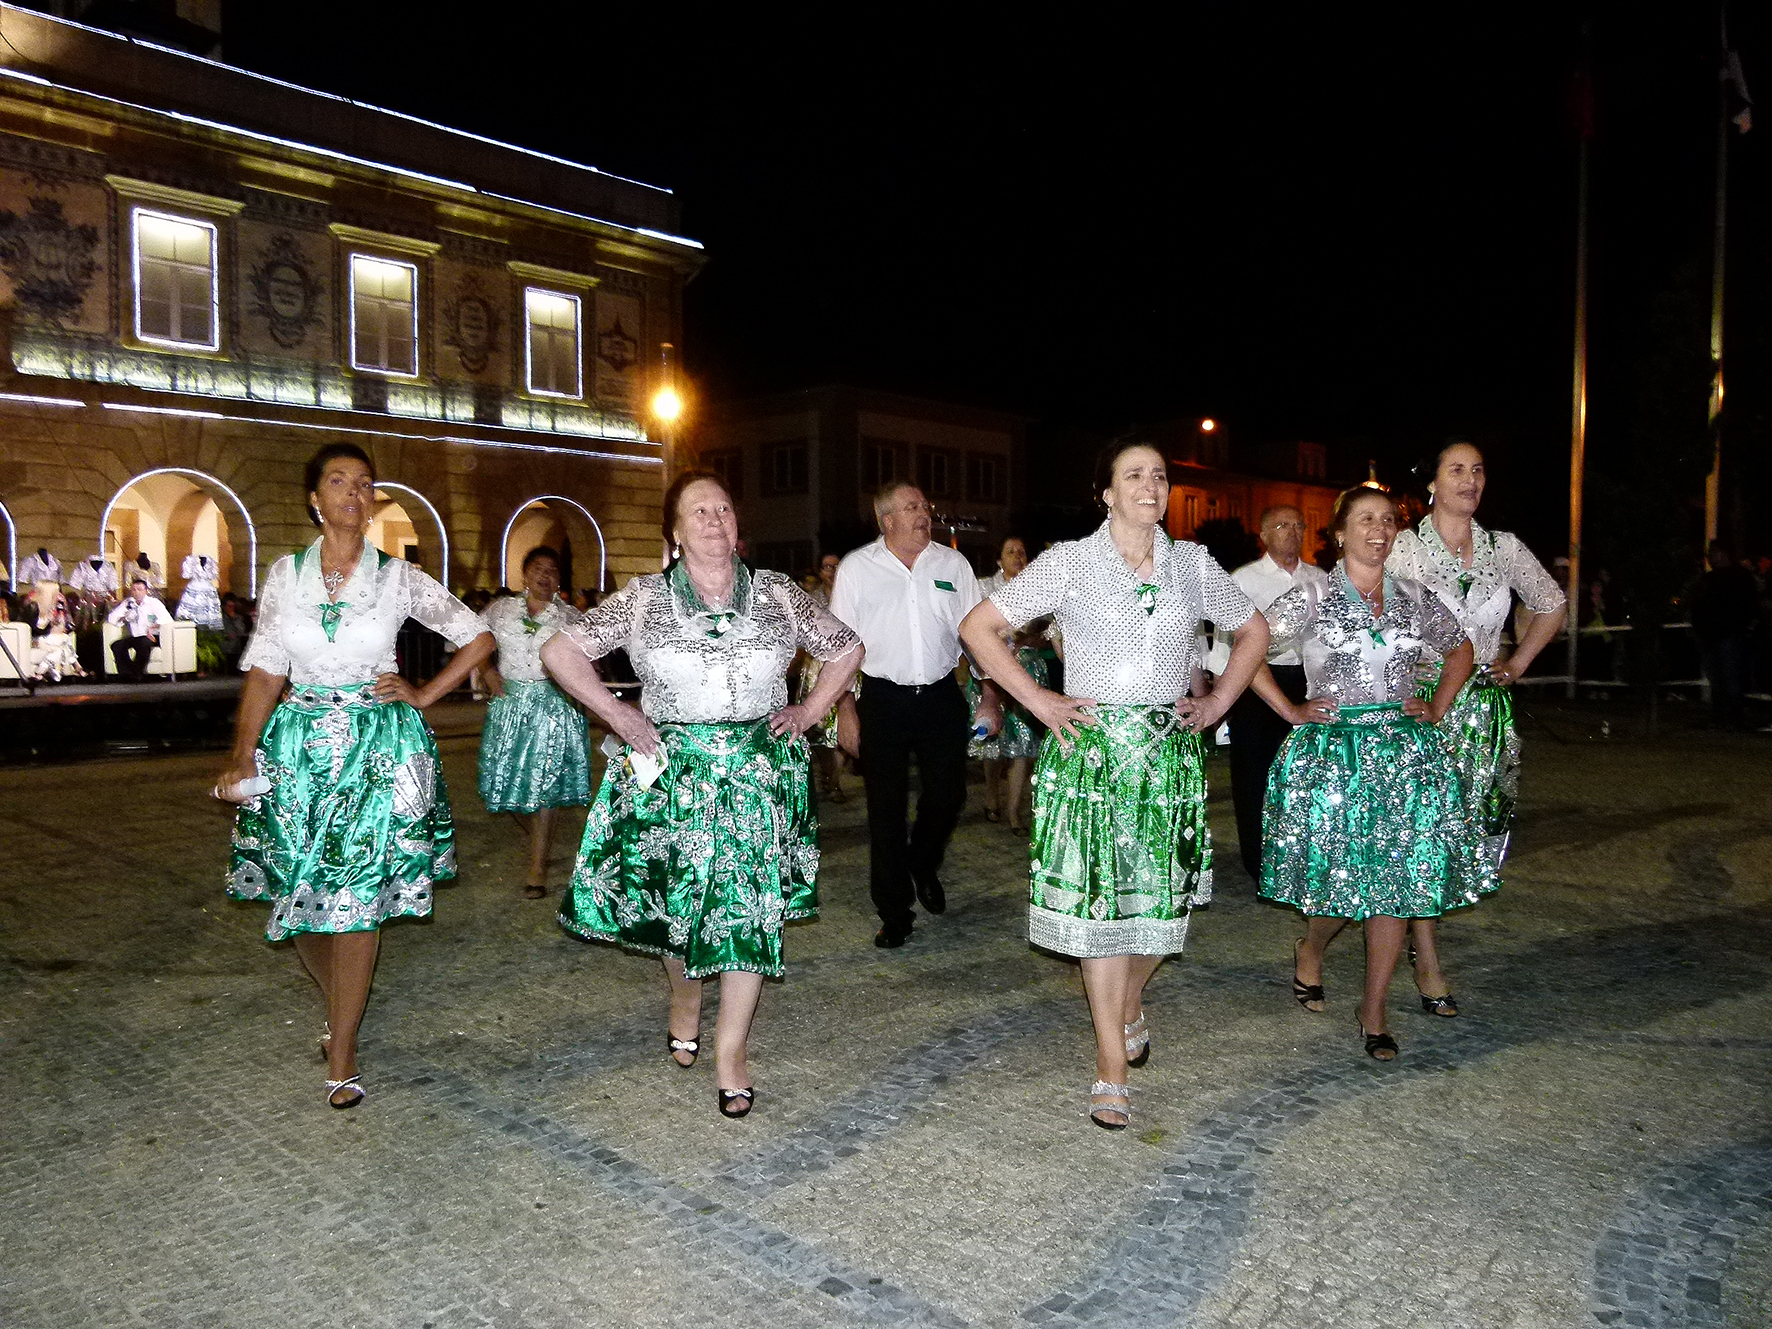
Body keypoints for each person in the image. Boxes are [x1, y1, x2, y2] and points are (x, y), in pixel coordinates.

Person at [960, 443, 1269, 1129]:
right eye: (1134, 475)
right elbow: (979, 627)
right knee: (1102, 919)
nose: (1150, 485)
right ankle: (1110, 1066)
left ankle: (1129, 1002)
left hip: (1167, 758)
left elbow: (1254, 629)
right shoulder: (1069, 562)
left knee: (1164, 912)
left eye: (1160, 476)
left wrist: (1218, 703)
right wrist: (1038, 701)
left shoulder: (1193, 564)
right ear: (1105, 492)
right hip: (1093, 758)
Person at [544, 471, 862, 1118]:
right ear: (675, 532)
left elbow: (846, 648)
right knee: (677, 910)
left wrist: (809, 711)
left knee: (749, 912)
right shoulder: (644, 597)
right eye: (700, 511)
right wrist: (619, 714)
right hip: (672, 776)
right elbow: (559, 652)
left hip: (756, 776)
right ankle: (685, 993)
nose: (715, 519)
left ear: (737, 524)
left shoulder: (776, 592)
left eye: (723, 508)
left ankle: (731, 1050)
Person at [215, 443, 495, 1109]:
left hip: (377, 750)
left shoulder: (397, 577)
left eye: (365, 483)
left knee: (358, 901)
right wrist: (243, 751)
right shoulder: (286, 574)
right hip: (297, 751)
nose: (353, 492)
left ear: (372, 502)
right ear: (315, 499)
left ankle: (341, 1049)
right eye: (338, 481)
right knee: (299, 901)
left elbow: (479, 637)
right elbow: (267, 667)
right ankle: (338, 1004)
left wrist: (425, 693)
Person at [1254, 486, 1489, 1061]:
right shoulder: (1312, 594)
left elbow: (1460, 650)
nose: (1379, 530)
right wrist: (1290, 709)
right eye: (1365, 520)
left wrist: (1437, 707)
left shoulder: (1413, 595)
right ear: (1339, 533)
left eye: (1387, 520)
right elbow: (1246, 645)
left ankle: (1374, 1009)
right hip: (1336, 758)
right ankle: (1311, 949)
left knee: (1396, 888)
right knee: (1338, 889)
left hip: (1406, 758)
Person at [1386, 442, 1566, 1014]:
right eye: (1457, 470)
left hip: (1484, 713)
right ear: (1432, 483)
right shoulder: (1404, 548)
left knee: (1472, 830)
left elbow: (1552, 603)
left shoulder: (1502, 547)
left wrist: (1517, 662)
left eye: (1478, 470)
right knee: (1424, 831)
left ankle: (1418, 934)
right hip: (1422, 707)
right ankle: (1428, 959)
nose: (1470, 480)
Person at [832, 482, 1002, 947]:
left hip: (940, 697)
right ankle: (895, 914)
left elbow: (978, 636)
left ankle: (923, 862)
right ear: (887, 520)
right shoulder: (856, 569)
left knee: (948, 796)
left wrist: (990, 695)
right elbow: (839, 646)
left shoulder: (953, 565)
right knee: (884, 812)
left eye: (925, 506)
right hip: (882, 700)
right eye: (912, 508)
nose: (924, 514)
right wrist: (845, 709)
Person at [1221, 506, 1331, 880]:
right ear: (1264, 534)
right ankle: (1259, 859)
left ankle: (1302, 857)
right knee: (1256, 774)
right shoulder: (1243, 579)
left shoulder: (1320, 579)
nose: (1292, 532)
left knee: (1306, 773)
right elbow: (1227, 646)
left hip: (1308, 681)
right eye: (1282, 525)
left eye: (1299, 525)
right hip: (1257, 681)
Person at [476, 546, 590, 899]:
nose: (545, 575)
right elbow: (472, 640)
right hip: (508, 704)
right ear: (524, 574)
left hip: (553, 706)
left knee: (545, 787)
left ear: (559, 580)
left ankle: (537, 867)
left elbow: (587, 659)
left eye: (552, 570)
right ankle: (541, 837)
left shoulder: (570, 617)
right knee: (506, 784)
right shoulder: (500, 610)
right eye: (538, 568)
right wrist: (487, 670)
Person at [969, 537, 1047, 834]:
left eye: (1022, 552)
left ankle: (1014, 811)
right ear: (999, 560)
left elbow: (1050, 633)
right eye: (1010, 552)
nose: (1018, 556)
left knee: (1025, 746)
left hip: (1029, 672)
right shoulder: (984, 588)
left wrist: (1031, 638)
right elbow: (972, 629)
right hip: (993, 671)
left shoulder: (1039, 589)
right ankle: (991, 793)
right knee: (993, 741)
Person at [792, 550, 849, 803]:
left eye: (837, 566)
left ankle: (834, 778)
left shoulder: (849, 593)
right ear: (820, 570)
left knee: (844, 727)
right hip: (816, 668)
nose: (832, 572)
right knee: (821, 728)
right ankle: (830, 778)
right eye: (827, 567)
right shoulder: (810, 598)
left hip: (848, 667)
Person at [1689, 540, 1759, 731]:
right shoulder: (1710, 579)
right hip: (1711, 635)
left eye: (1713, 553)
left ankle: (1733, 717)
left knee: (1730, 677)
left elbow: (1748, 605)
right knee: (1718, 679)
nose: (1709, 557)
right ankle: (1721, 716)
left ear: (1724, 553)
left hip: (1729, 635)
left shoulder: (1739, 577)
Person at [107, 578, 171, 680]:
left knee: (143, 643)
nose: (136, 592)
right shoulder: (128, 603)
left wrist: (152, 628)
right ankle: (126, 674)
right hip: (136, 636)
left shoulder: (154, 603)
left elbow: (166, 619)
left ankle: (137, 673)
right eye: (134, 589)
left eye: (139, 589)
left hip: (152, 636)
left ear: (146, 591)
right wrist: (125, 617)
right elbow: (112, 618)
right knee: (117, 645)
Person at [176, 552, 224, 628]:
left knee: (210, 610)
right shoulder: (191, 560)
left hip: (208, 588)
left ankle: (208, 627)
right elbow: (186, 575)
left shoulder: (211, 561)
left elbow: (214, 575)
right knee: (191, 609)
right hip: (194, 587)